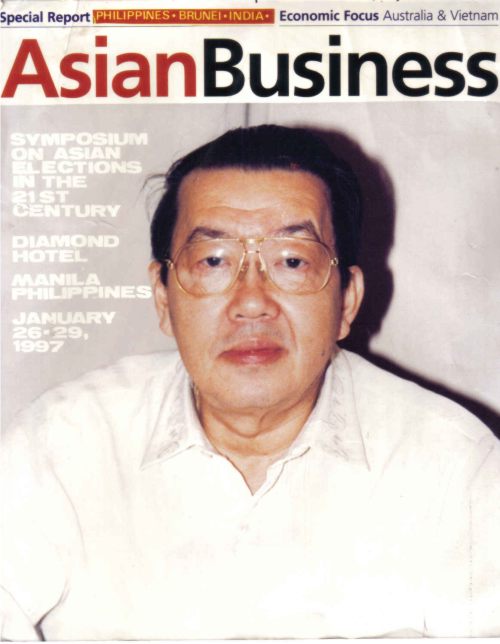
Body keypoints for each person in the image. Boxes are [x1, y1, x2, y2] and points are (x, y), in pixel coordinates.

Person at [1, 125, 499, 640]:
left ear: (347, 301)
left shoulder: (455, 468)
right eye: (213, 261)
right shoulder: (63, 444)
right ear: (163, 298)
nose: (252, 302)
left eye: (292, 261)